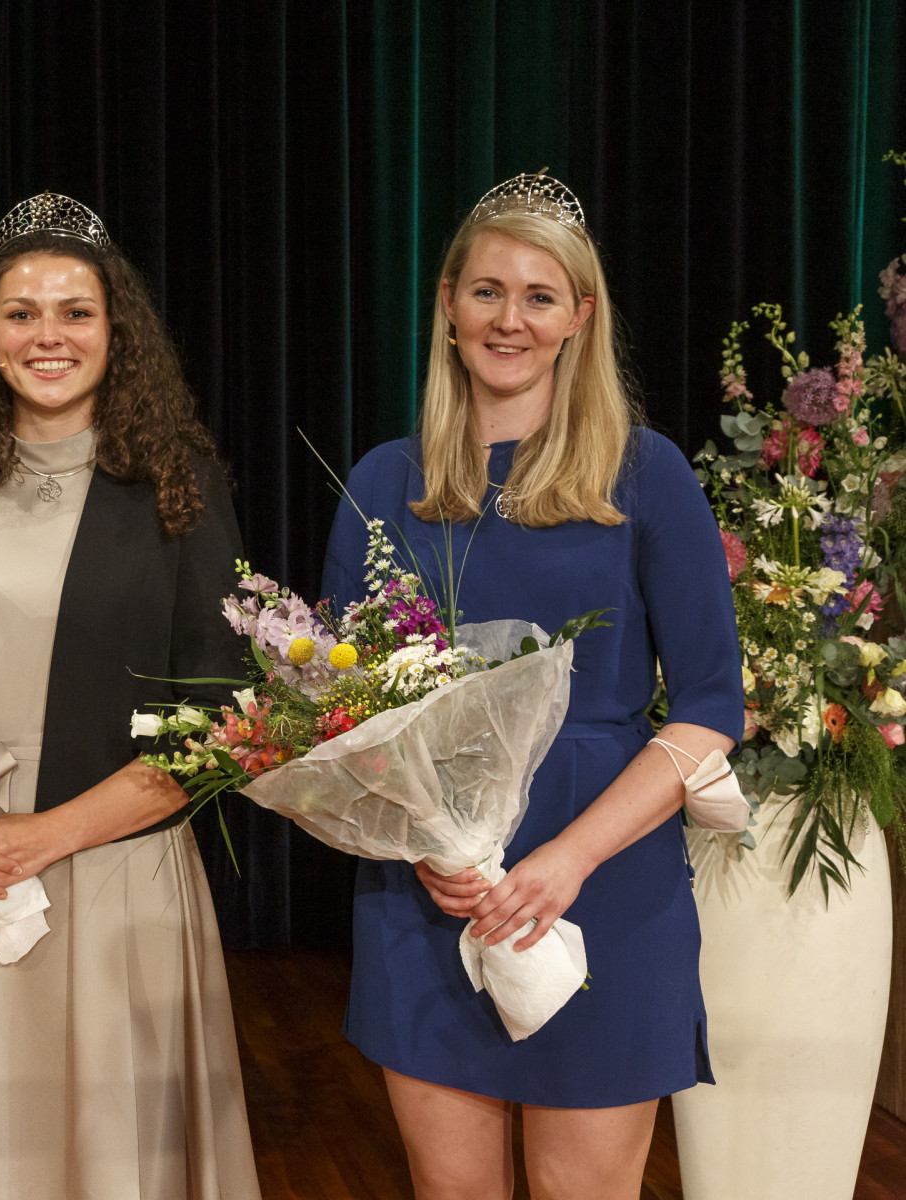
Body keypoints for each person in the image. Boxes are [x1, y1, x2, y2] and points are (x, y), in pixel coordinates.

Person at [319, 174, 744, 1199]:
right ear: (450, 307)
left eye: (540, 296)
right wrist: (428, 848)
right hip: (428, 896)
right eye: (486, 291)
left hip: (606, 886)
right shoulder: (385, 480)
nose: (510, 317)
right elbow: (338, 715)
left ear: (578, 318)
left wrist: (565, 860)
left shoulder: (645, 475)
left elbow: (709, 710)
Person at [0, 193, 261, 1199]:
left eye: (76, 311)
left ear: (119, 331)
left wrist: (46, 836)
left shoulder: (177, 486)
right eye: (21, 312)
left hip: (106, 880)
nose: (48, 336)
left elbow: (223, 723)